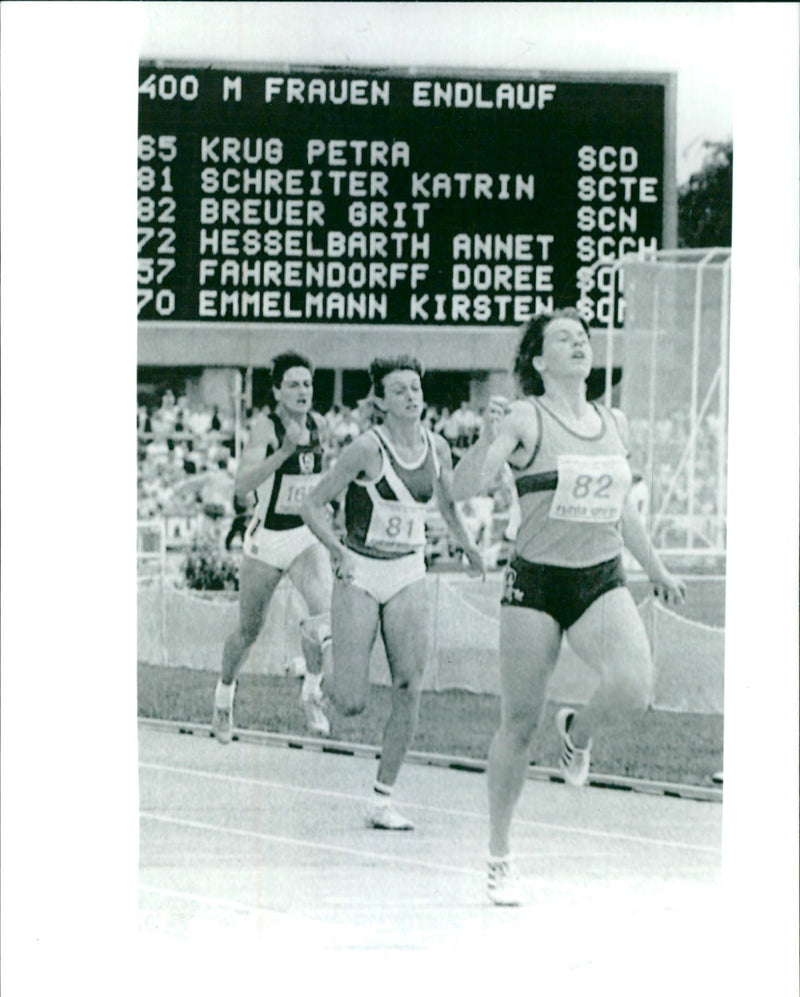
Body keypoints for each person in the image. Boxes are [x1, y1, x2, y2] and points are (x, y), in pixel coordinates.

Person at [452, 309, 686, 905]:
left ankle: (577, 733)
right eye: (564, 337)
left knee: (634, 688)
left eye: (583, 336)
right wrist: (486, 438)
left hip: (600, 577)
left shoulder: (615, 422)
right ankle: (499, 857)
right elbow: (464, 487)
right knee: (519, 723)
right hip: (536, 582)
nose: (579, 342)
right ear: (538, 360)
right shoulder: (527, 417)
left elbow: (623, 506)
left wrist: (654, 568)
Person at [301, 356, 485, 830]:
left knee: (409, 684)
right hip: (360, 572)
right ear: (380, 401)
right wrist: (336, 550)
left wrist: (468, 546)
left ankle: (382, 798)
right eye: (400, 389)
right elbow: (312, 504)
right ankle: (321, 643)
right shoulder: (366, 448)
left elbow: (445, 502)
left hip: (407, 569)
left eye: (416, 387)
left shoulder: (437, 446)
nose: (412, 395)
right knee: (351, 702)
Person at [212, 352, 333, 741]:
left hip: (303, 535)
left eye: (308, 384)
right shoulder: (265, 427)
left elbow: (316, 480)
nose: (303, 391)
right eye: (294, 384)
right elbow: (242, 486)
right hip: (266, 540)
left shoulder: (319, 425)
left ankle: (312, 692)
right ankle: (224, 697)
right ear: (277, 391)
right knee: (249, 630)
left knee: (323, 615)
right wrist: (283, 452)